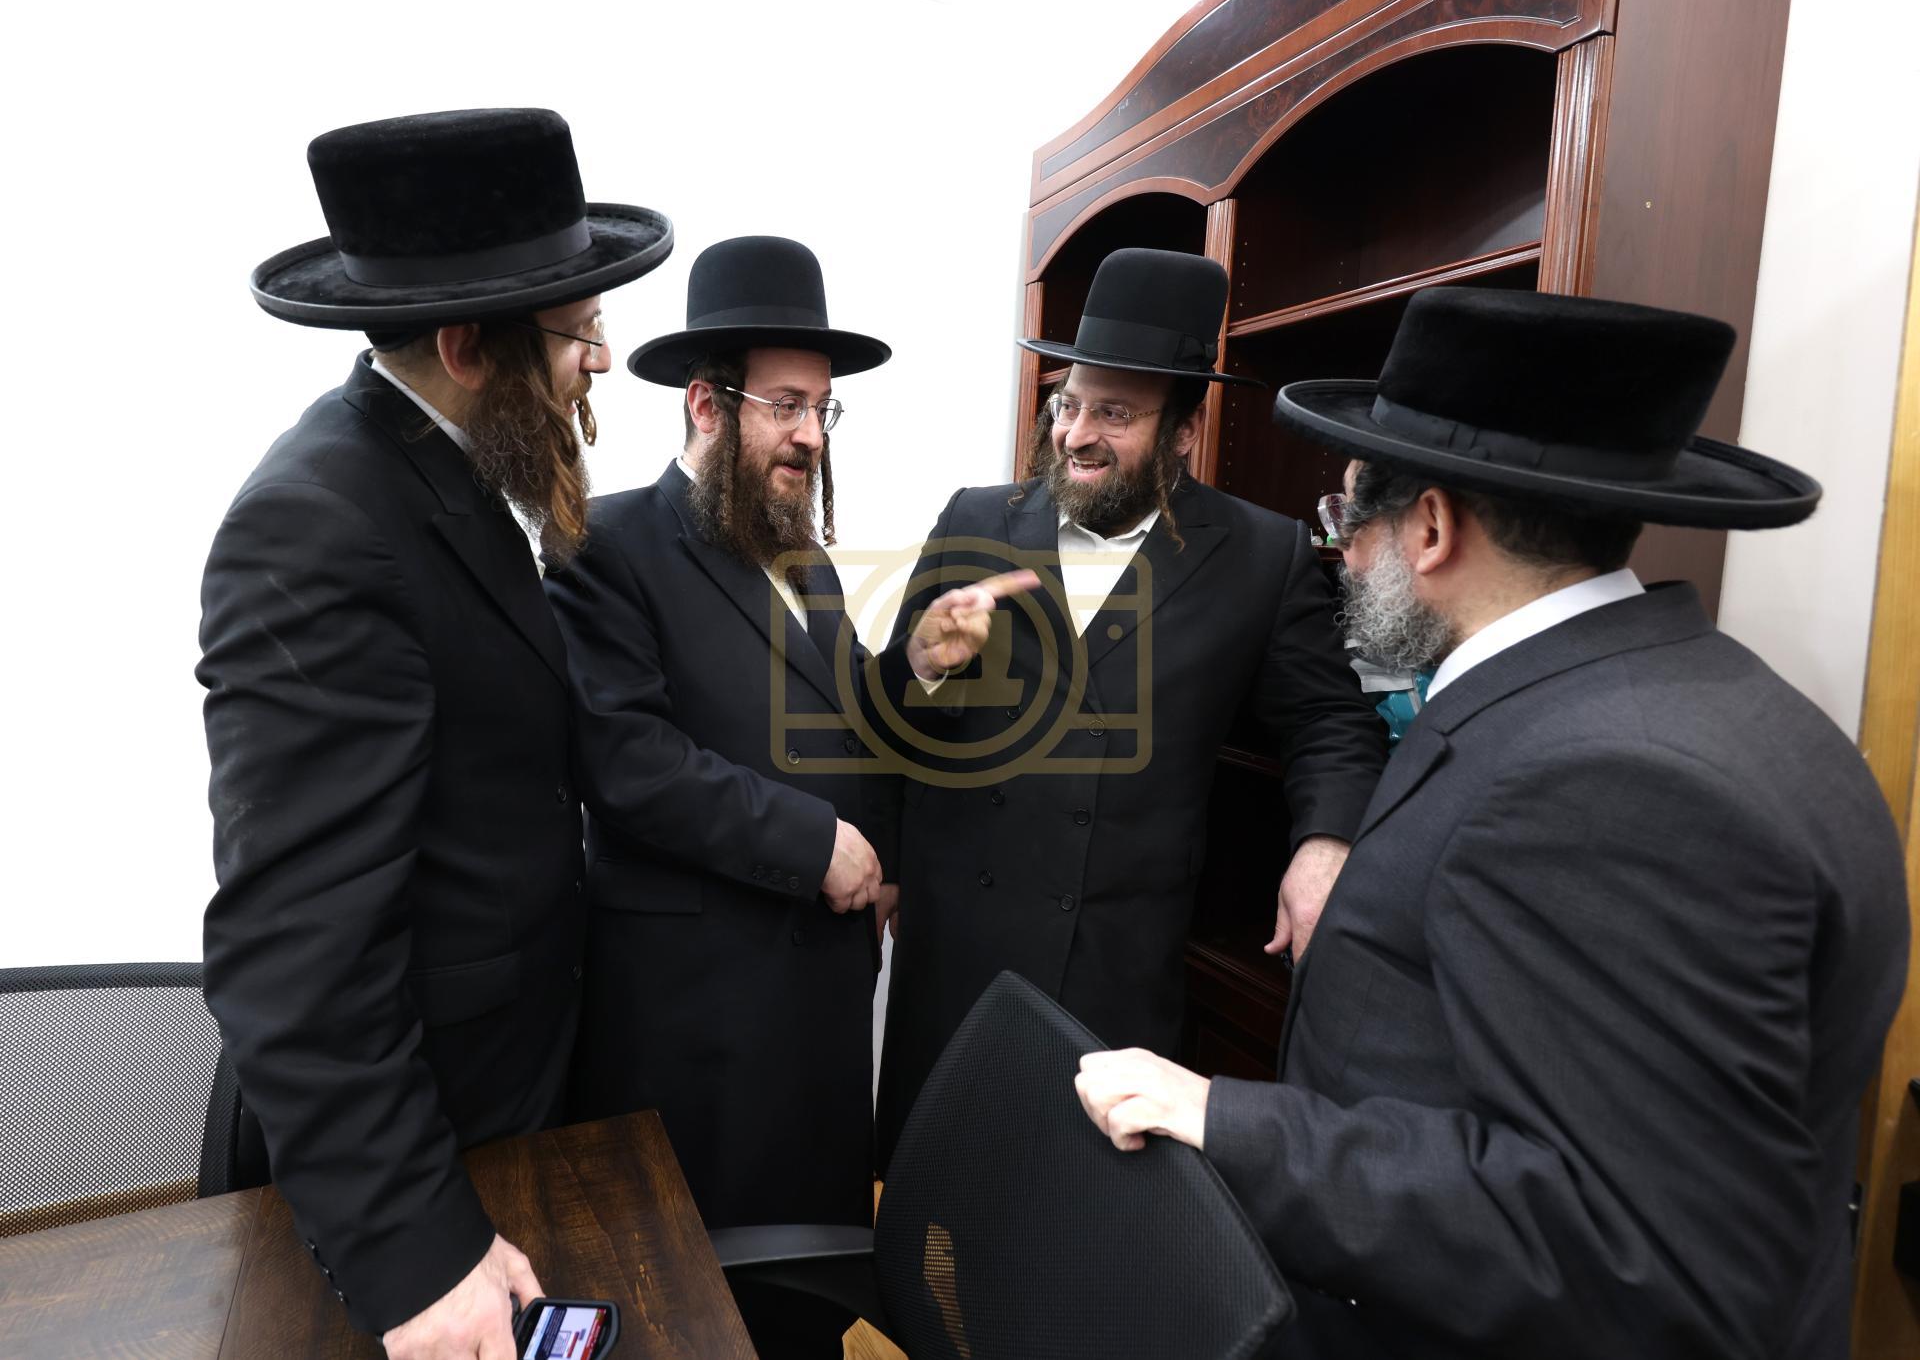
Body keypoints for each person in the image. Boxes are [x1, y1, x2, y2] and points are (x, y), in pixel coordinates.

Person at [1072, 287, 1910, 1360]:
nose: (1344, 557)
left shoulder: (1616, 786)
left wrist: (1223, 1118)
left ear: (1429, 527)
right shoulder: (1711, 702)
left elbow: (1631, 1252)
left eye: (1347, 520)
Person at [197, 108, 672, 1357]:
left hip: (504, 1091)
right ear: (467, 347)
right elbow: (295, 950)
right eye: (578, 334)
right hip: (416, 1157)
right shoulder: (318, 524)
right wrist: (418, 1258)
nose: (600, 361)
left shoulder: (446, 466)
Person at [544, 235, 1028, 1357]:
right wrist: (818, 843)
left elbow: (844, 723)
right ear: (707, 406)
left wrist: (919, 663)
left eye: (823, 409)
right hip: (695, 1028)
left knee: (802, 1306)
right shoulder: (605, 543)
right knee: (689, 1308)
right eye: (787, 406)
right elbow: (631, 762)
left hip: (815, 1021)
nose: (812, 434)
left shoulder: (804, 559)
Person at [876, 247, 1388, 1170]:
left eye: (1114, 413)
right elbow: (891, 717)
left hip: (1112, 964)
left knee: (1076, 1220)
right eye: (1068, 404)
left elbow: (1331, 723)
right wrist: (922, 661)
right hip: (957, 946)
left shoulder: (1260, 555)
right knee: (934, 1206)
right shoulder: (975, 518)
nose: (1076, 433)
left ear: (1185, 430)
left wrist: (1326, 845)